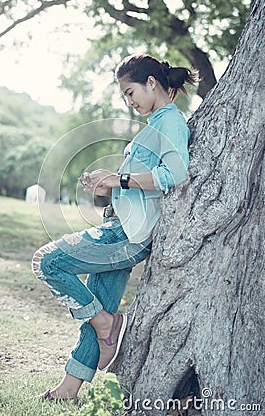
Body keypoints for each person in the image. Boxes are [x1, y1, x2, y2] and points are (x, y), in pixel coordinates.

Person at [31, 54, 197, 401]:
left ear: (152, 83)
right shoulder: (155, 125)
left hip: (126, 237)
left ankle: (108, 325)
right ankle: (69, 387)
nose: (129, 101)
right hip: (120, 227)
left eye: (130, 91)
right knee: (98, 307)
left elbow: (175, 174)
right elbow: (139, 185)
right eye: (125, 95)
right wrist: (108, 187)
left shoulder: (171, 122)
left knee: (48, 262)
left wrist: (119, 178)